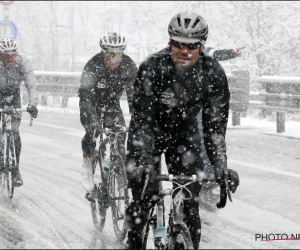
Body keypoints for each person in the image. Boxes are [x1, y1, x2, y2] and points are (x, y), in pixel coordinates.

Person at [125, 12, 240, 249]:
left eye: (192, 45)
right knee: (143, 199)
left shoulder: (212, 72)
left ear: (202, 46)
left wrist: (220, 166)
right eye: (178, 44)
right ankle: (133, 240)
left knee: (189, 207)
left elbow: (215, 127)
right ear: (170, 43)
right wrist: (145, 163)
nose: (185, 51)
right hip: (149, 134)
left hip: (185, 136)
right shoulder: (152, 67)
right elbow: (142, 121)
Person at [78, 32, 137, 213]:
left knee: (120, 142)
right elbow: (86, 96)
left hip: (112, 105)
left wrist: (137, 117)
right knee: (91, 133)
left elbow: (134, 95)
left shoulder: (128, 66)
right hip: (91, 104)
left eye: (118, 53)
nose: (114, 58)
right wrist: (93, 122)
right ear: (103, 53)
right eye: (110, 54)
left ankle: (120, 186)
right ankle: (88, 167)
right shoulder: (93, 65)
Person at [0, 37, 39, 187]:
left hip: (14, 96)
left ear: (17, 54)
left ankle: (15, 170)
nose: (10, 58)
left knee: (15, 132)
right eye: (6, 55)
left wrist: (33, 104)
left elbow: (32, 85)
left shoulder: (22, 62)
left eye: (13, 55)